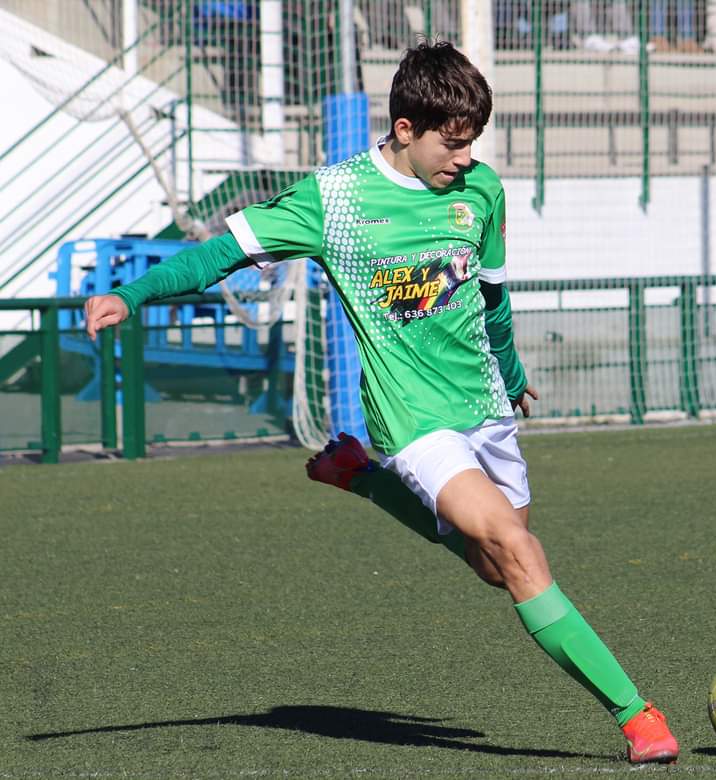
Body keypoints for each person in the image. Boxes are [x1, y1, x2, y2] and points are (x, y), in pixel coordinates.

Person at [82, 41, 679, 765]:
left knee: (495, 566)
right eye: (452, 143)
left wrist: (514, 373)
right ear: (405, 129)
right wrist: (131, 294)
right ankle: (637, 716)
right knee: (518, 553)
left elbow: (491, 296)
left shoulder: (480, 192)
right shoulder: (333, 199)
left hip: (484, 404)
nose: (464, 158)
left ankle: (358, 477)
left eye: (472, 143)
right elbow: (219, 252)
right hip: (412, 420)